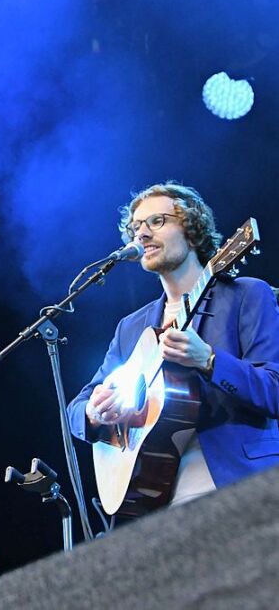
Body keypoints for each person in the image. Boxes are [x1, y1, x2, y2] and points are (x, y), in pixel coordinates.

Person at [68, 182, 279, 511]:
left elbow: (274, 390)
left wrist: (209, 360)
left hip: (246, 483)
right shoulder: (132, 327)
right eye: (136, 227)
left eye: (157, 221)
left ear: (192, 231)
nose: (142, 234)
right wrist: (94, 413)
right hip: (161, 498)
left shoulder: (247, 295)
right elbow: (78, 407)